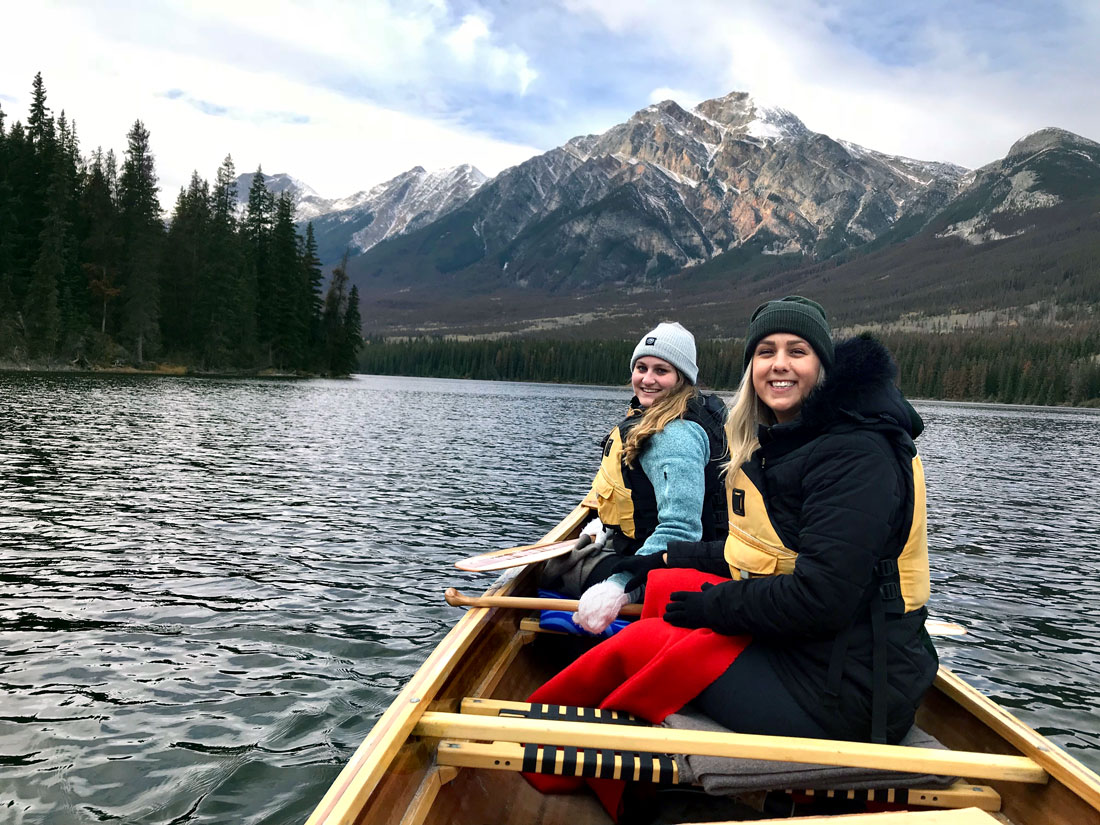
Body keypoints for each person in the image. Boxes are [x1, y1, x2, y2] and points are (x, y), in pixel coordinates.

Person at [525, 296, 936, 811]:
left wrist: (709, 608)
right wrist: (646, 566)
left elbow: (821, 597)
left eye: (797, 351)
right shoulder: (805, 440)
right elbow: (750, 553)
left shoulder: (857, 455)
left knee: (649, 645)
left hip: (852, 691)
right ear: (751, 369)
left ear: (824, 367)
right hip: (815, 654)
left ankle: (650, 804)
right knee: (667, 593)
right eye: (765, 352)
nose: (779, 364)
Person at [540, 321, 728, 635]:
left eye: (661, 371)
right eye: (641, 367)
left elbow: (680, 530)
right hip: (672, 553)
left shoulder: (674, 435)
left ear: (682, 379)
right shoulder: (676, 414)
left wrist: (616, 588)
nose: (647, 379)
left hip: (668, 565)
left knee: (555, 570)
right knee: (589, 547)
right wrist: (604, 525)